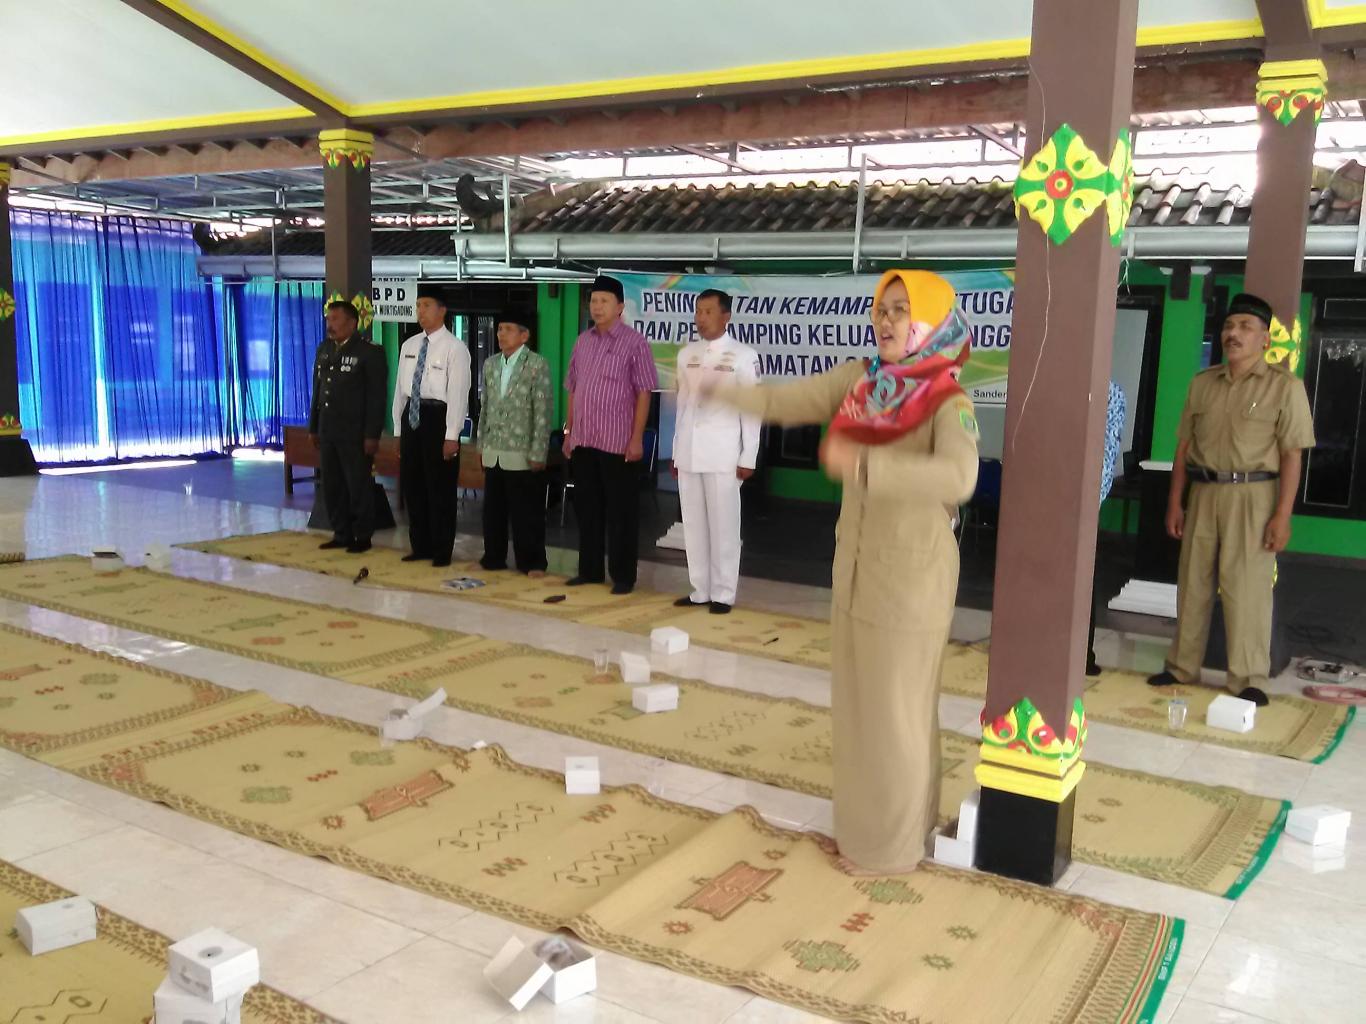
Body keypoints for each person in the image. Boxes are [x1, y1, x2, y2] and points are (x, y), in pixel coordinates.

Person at [706, 269, 978, 874]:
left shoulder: (947, 400)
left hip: (911, 579)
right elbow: (787, 400)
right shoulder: (863, 381)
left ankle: (893, 850)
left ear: (930, 322)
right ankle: (868, 833)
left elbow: (961, 477)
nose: (886, 320)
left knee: (897, 717)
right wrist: (724, 392)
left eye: (901, 309)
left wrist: (867, 468)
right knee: (860, 712)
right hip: (856, 570)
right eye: (882, 308)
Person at [1148, 292, 1315, 707]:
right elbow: (1184, 448)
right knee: (1193, 583)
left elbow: (1293, 455)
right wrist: (1175, 501)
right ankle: (1181, 667)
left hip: (1254, 496)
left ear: (1264, 338)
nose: (1233, 334)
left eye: (1245, 327)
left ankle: (1247, 678)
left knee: (1247, 588)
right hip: (1203, 493)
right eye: (1228, 326)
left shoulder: (1284, 387)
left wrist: (1282, 515)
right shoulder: (1202, 384)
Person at [563, 275, 659, 595]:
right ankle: (589, 571)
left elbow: (644, 392)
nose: (597, 306)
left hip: (618, 443)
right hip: (584, 440)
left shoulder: (635, 342)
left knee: (621, 513)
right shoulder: (582, 341)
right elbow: (573, 388)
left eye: (604, 301)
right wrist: (569, 431)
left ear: (620, 307)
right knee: (587, 509)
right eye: (593, 300)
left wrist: (637, 438)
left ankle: (623, 576)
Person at [671, 289, 761, 614]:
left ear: (726, 316)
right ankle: (700, 589)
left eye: (708, 311)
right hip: (689, 451)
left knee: (724, 527)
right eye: (698, 311)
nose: (701, 318)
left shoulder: (743, 356)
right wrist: (675, 451)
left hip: (723, 454)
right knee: (694, 525)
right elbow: (682, 406)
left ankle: (723, 593)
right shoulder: (687, 355)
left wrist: (748, 456)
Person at [392, 287, 471, 568]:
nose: (421, 311)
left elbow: (458, 394)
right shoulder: (409, 345)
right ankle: (420, 546)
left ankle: (441, 550)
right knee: (413, 486)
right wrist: (398, 430)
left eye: (426, 305)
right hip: (412, 416)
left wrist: (452, 435)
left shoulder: (455, 348)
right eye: (418, 305)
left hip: (438, 418)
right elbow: (400, 391)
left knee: (439, 488)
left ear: (442, 310)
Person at [309, 299, 388, 554]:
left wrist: (372, 434)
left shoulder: (369, 351)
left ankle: (362, 535)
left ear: (352, 323)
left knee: (358, 485)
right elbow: (318, 391)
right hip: (328, 429)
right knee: (332, 485)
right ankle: (341, 533)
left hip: (355, 432)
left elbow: (376, 397)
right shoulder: (324, 349)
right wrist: (313, 427)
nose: (329, 324)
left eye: (335, 319)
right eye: (328, 319)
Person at [478, 308, 552, 576]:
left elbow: (543, 411)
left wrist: (538, 451)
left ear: (524, 335)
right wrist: (481, 445)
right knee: (493, 510)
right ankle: (493, 557)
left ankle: (532, 561)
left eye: (508, 329)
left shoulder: (537, 364)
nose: (501, 334)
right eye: (499, 329)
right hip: (494, 448)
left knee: (526, 512)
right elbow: (484, 406)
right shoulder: (490, 364)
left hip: (522, 451)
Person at [1086, 380, 1127, 676]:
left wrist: (1089, 503)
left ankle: (1081, 654)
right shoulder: (1045, 379)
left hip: (1082, 505)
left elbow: (1107, 453)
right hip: (1042, 502)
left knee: (1081, 579)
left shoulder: (1109, 391)